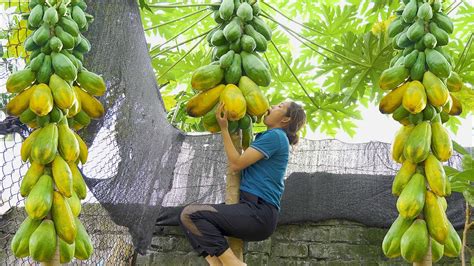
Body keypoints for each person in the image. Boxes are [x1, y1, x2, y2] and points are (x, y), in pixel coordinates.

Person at [179, 101, 306, 265]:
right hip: (251, 209)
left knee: (191, 214)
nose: (272, 106)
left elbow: (236, 165)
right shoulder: (270, 137)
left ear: (285, 120)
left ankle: (234, 264)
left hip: (259, 213)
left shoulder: (276, 136)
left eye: (279, 107)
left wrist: (224, 128)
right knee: (186, 218)